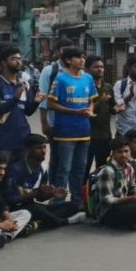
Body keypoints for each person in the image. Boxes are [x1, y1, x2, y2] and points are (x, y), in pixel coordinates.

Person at [47, 46, 97, 209]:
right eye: (78, 57)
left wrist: (89, 110)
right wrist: (75, 112)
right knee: (64, 168)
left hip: (84, 130)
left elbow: (91, 99)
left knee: (80, 169)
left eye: (83, 57)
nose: (82, 60)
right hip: (65, 132)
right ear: (68, 60)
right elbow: (51, 104)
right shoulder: (60, 79)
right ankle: (59, 201)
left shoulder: (88, 78)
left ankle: (77, 201)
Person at [4, 134, 84, 230]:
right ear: (28, 150)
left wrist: (52, 194)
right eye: (39, 148)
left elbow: (40, 198)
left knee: (72, 206)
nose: (43, 151)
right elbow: (9, 200)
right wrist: (35, 193)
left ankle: (36, 224)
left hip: (33, 206)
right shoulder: (16, 169)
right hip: (15, 209)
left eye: (44, 147)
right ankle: (63, 221)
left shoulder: (43, 167)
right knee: (36, 208)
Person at [0, 44, 43, 163]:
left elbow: (27, 111)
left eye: (19, 58)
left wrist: (36, 102)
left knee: (19, 176)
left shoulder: (24, 83)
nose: (18, 62)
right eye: (13, 59)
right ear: (3, 63)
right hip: (3, 141)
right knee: (2, 177)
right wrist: (15, 98)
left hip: (23, 139)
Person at [92, 137, 136, 231]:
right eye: (119, 152)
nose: (123, 155)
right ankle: (135, 223)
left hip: (125, 204)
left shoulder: (129, 168)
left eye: (126, 151)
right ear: (113, 154)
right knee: (135, 210)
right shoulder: (107, 171)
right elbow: (106, 200)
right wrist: (129, 199)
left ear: (130, 152)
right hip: (108, 211)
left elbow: (133, 188)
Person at [38, 38, 74, 180]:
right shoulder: (49, 71)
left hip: (74, 123)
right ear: (59, 52)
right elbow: (44, 98)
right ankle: (53, 189)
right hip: (55, 123)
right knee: (57, 158)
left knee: (71, 160)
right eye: (65, 50)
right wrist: (44, 123)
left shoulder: (76, 71)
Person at [86, 55, 120, 176]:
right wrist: (100, 101)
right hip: (88, 135)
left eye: (101, 67)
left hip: (105, 135)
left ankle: (99, 194)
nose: (100, 69)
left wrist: (117, 108)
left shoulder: (108, 87)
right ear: (88, 69)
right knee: (84, 169)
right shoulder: (85, 86)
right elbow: (84, 111)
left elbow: (112, 109)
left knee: (102, 170)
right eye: (96, 67)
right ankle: (81, 194)